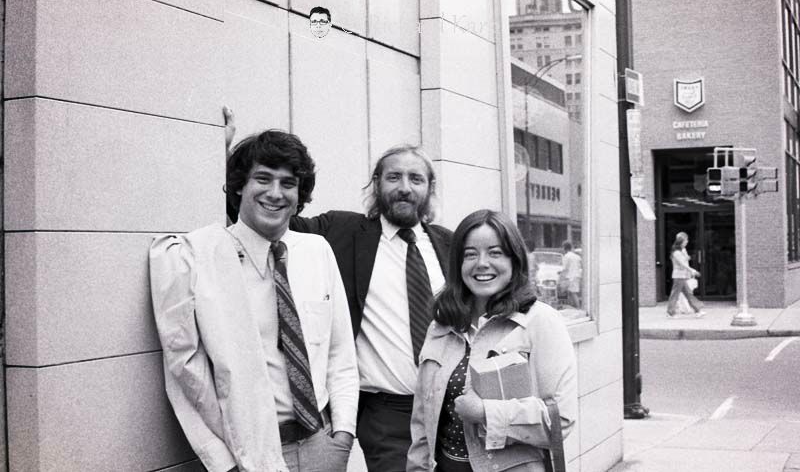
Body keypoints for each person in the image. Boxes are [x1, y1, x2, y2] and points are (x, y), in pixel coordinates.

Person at [224, 110, 452, 472]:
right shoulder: (341, 231)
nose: (405, 186)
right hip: (388, 415)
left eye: (416, 178)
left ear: (430, 188)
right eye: (393, 177)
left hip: (452, 404)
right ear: (376, 184)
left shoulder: (450, 245)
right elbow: (267, 213)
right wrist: (225, 157)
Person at [150, 129, 359, 472]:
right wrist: (224, 465)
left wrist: (344, 437)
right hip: (250, 456)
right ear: (239, 186)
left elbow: (340, 355)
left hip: (324, 445)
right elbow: (184, 374)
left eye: (288, 183)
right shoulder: (197, 259)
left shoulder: (317, 251)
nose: (275, 193)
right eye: (263, 178)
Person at [407, 209, 578, 472]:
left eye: (495, 253)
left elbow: (560, 420)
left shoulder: (540, 321)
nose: (482, 263)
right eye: (470, 254)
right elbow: (422, 422)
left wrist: (485, 413)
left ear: (514, 261)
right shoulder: (442, 323)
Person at [666, 231, 706, 318]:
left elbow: (686, 260)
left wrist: (685, 254)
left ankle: (698, 310)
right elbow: (683, 264)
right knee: (676, 294)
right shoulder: (676, 253)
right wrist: (692, 271)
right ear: (681, 241)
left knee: (688, 293)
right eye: (685, 240)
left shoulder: (682, 251)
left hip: (682, 276)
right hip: (678, 276)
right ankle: (670, 312)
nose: (687, 242)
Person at [560, 240, 582, 308]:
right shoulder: (577, 256)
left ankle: (577, 307)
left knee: (573, 293)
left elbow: (565, 268)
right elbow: (580, 266)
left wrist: (561, 275)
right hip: (577, 276)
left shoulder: (566, 256)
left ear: (564, 248)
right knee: (571, 292)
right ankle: (574, 307)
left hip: (570, 277)